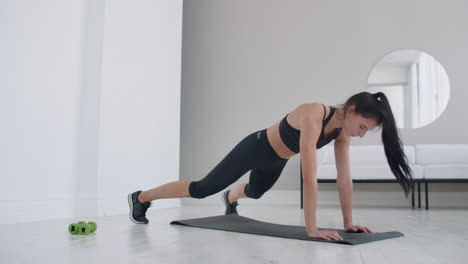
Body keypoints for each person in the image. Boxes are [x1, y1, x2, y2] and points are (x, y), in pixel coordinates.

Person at [128, 91, 414, 241]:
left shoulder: (342, 134)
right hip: (255, 148)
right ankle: (141, 197)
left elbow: (344, 178)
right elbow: (309, 177)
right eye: (362, 127)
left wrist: (349, 223)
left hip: (276, 160)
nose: (361, 134)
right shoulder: (314, 113)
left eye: (367, 131)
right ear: (351, 111)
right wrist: (311, 228)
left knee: (254, 192)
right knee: (203, 189)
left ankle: (230, 197)